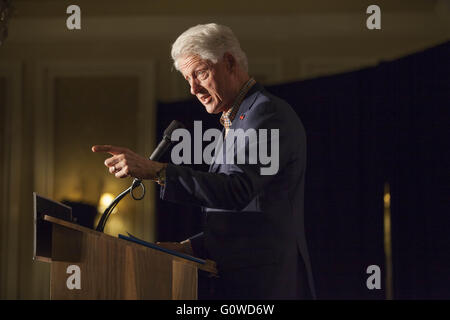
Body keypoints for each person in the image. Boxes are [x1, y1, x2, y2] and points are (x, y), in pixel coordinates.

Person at [92, 23, 315, 299]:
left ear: (229, 63)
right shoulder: (236, 119)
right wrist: (191, 248)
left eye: (200, 73)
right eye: (188, 79)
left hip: (266, 284)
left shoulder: (266, 114)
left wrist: (156, 170)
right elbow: (246, 219)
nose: (193, 89)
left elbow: (237, 191)